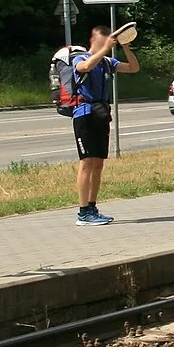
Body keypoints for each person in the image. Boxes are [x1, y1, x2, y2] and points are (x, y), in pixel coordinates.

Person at [70, 23, 138, 226]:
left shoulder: (108, 62)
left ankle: (92, 207)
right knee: (86, 163)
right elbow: (85, 67)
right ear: (93, 41)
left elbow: (134, 68)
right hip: (84, 114)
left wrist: (125, 46)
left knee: (98, 163)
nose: (107, 44)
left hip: (101, 115)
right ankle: (83, 212)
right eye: (103, 41)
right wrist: (105, 48)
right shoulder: (80, 58)